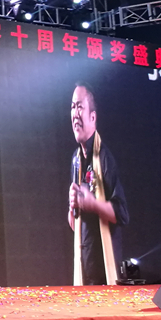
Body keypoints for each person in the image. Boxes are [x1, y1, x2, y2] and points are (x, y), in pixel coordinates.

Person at [68, 82, 128, 285]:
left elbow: (122, 214)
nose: (74, 114)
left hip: (105, 276)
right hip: (85, 272)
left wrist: (93, 204)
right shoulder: (76, 160)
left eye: (79, 106)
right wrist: (72, 207)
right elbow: (75, 226)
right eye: (72, 107)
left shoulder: (105, 157)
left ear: (92, 117)